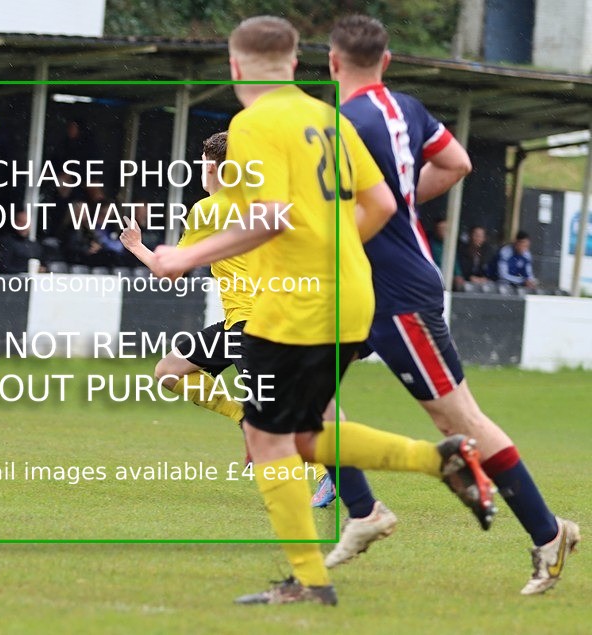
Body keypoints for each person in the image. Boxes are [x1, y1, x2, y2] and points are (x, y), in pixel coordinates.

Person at [154, 16, 494, 606]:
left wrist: (184, 259)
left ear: (236, 68)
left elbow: (269, 216)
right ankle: (434, 462)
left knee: (269, 439)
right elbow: (385, 201)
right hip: (353, 292)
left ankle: (312, 580)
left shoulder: (253, 123)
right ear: (296, 64)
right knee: (304, 431)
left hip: (294, 301)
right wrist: (331, 249)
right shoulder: (327, 117)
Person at [324, 15, 577, 594]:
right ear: (385, 61)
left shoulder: (343, 124)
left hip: (391, 291)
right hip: (367, 285)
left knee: (458, 418)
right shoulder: (404, 109)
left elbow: (356, 212)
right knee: (298, 396)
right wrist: (403, 202)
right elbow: (457, 164)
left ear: (333, 65)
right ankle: (364, 514)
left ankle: (547, 532)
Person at [120, 130, 332, 489]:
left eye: (203, 165)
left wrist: (136, 246)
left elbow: (168, 271)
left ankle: (327, 473)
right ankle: (244, 419)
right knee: (170, 370)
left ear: (217, 169)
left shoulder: (208, 210)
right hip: (252, 320)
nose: (201, 173)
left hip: (254, 325)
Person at [0, 209, 42, 274]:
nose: (24, 226)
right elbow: (4, 267)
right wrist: (26, 270)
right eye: (21, 222)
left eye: (26, 223)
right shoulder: (7, 243)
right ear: (15, 223)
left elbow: (41, 263)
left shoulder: (34, 245)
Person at [429, 217, 464, 290]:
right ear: (436, 230)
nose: (444, 232)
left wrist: (458, 275)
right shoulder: (430, 245)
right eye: (441, 229)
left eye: (446, 229)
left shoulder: (452, 245)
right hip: (434, 278)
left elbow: (455, 264)